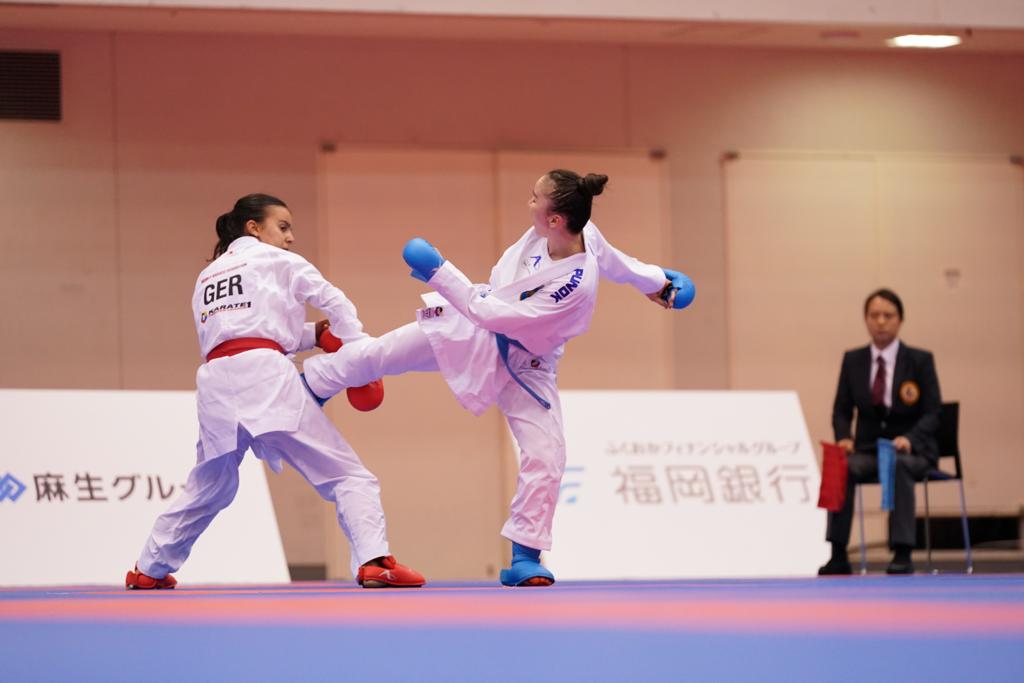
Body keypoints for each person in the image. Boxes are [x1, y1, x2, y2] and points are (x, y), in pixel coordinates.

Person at [303, 170, 693, 586]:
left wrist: (438, 270)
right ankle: (312, 386)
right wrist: (657, 281)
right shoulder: (582, 233)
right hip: (472, 329)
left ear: (555, 219)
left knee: (547, 456)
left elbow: (490, 313)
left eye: (534, 198)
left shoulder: (571, 287)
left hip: (525, 360)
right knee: (383, 352)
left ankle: (525, 555)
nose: (528, 203)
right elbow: (620, 263)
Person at [125, 193, 424, 589]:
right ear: (254, 227)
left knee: (210, 486)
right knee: (348, 476)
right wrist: (359, 353)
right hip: (265, 379)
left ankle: (148, 569)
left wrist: (313, 335)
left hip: (216, 384)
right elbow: (335, 302)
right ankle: (374, 561)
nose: (290, 237)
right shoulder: (280, 260)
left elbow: (245, 330)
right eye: (282, 227)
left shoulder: (208, 276)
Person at [819, 288, 942, 576]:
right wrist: (844, 437)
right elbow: (841, 410)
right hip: (868, 450)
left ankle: (902, 553)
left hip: (911, 451)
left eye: (888, 315)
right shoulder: (853, 360)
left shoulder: (920, 360)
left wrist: (910, 439)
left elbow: (933, 411)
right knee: (841, 466)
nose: (881, 321)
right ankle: (837, 554)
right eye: (874, 315)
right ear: (866, 319)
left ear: (900, 319)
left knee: (899, 465)